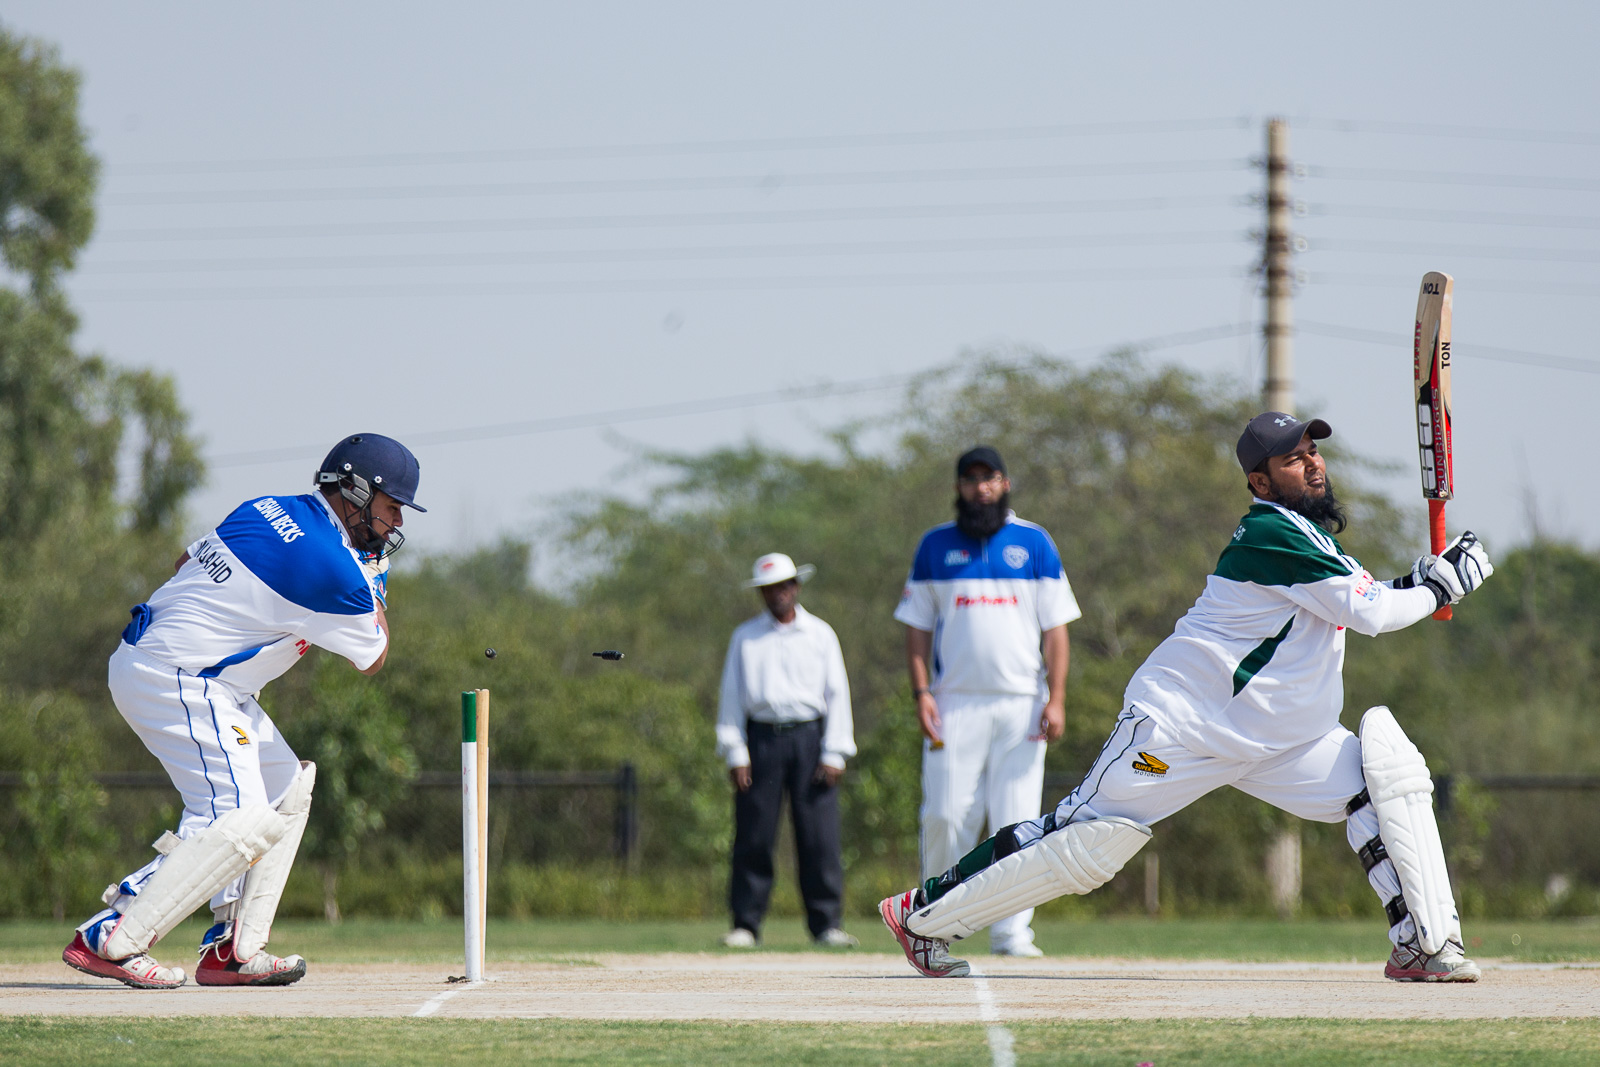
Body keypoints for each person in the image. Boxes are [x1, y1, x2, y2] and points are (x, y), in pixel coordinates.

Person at [880, 412, 1493, 983]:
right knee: (1083, 840)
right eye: (1292, 459)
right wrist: (1440, 590)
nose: (1312, 464)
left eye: (1313, 452)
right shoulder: (1270, 532)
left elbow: (1363, 598)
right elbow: (1372, 614)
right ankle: (920, 915)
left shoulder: (1307, 538)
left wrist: (1422, 583)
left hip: (1280, 744)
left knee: (1381, 782)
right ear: (1259, 482)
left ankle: (1422, 944)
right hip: (1179, 728)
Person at [62, 434, 424, 989]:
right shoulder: (334, 568)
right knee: (238, 815)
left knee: (287, 787)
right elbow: (373, 657)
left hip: (181, 670)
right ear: (355, 491)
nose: (396, 521)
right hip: (181, 678)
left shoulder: (266, 508)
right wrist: (372, 580)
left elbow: (185, 562)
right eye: (392, 505)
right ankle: (113, 935)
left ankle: (234, 948)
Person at [893, 446, 1080, 957]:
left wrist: (1057, 698)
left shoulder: (1034, 542)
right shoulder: (935, 545)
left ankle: (1011, 932)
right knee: (945, 815)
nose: (981, 488)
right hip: (953, 703)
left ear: (1005, 483)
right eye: (971, 479)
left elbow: (1056, 630)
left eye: (989, 478)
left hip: (1022, 704)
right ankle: (931, 925)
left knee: (1015, 820)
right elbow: (916, 629)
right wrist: (921, 693)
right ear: (958, 487)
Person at [716, 553, 858, 948]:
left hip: (811, 740)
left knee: (819, 836)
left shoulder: (820, 634)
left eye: (783, 586)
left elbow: (837, 693)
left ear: (795, 587)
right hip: (761, 739)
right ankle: (746, 924)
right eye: (769, 588)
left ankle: (826, 924)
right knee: (754, 834)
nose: (777, 594)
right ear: (761, 593)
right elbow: (731, 697)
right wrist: (735, 751)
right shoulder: (745, 637)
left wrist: (835, 751)